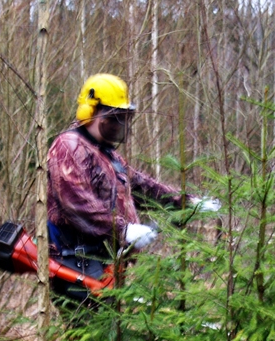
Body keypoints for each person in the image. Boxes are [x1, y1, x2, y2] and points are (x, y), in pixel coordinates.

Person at [47, 73, 218, 301]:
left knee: (107, 330)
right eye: (115, 116)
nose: (120, 124)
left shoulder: (105, 153)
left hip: (103, 263)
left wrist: (186, 201)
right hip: (75, 264)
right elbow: (77, 204)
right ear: (92, 111)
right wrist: (124, 230)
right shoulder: (68, 147)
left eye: (124, 117)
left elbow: (140, 186)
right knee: (89, 333)